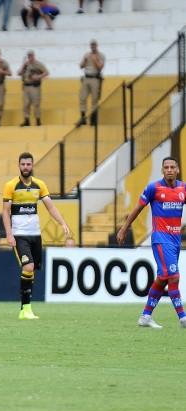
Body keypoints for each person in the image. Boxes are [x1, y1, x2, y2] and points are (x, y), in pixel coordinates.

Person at [116, 156, 186, 329]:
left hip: (176, 240)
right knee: (174, 276)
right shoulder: (154, 188)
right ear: (162, 170)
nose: (169, 170)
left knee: (163, 278)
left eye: (172, 167)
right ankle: (183, 318)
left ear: (177, 169)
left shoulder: (183, 188)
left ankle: (145, 317)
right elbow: (137, 209)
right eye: (166, 167)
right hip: (161, 239)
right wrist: (124, 228)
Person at [2, 152, 69, 319]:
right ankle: (25, 309)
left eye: (28, 164)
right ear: (19, 166)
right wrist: (9, 235)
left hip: (35, 235)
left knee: (32, 271)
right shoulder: (11, 185)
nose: (25, 167)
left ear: (33, 166)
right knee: (28, 267)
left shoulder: (39, 185)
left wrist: (62, 223)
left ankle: (26, 309)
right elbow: (5, 212)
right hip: (19, 235)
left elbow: (50, 207)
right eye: (23, 164)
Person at [76, 40, 105, 127]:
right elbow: (81, 66)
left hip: (95, 78)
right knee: (82, 98)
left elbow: (100, 67)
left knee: (94, 100)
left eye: (94, 46)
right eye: (91, 46)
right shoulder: (86, 55)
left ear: (96, 46)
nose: (93, 47)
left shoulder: (101, 56)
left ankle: (93, 119)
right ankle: (83, 118)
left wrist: (95, 59)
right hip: (86, 78)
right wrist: (85, 59)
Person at [17, 49, 49, 127]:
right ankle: (26, 120)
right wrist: (23, 65)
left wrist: (38, 76)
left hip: (34, 87)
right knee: (26, 104)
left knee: (36, 104)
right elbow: (19, 73)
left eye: (31, 56)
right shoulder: (26, 65)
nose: (30, 57)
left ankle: (38, 121)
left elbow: (46, 72)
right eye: (28, 56)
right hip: (26, 86)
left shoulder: (38, 64)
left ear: (33, 56)